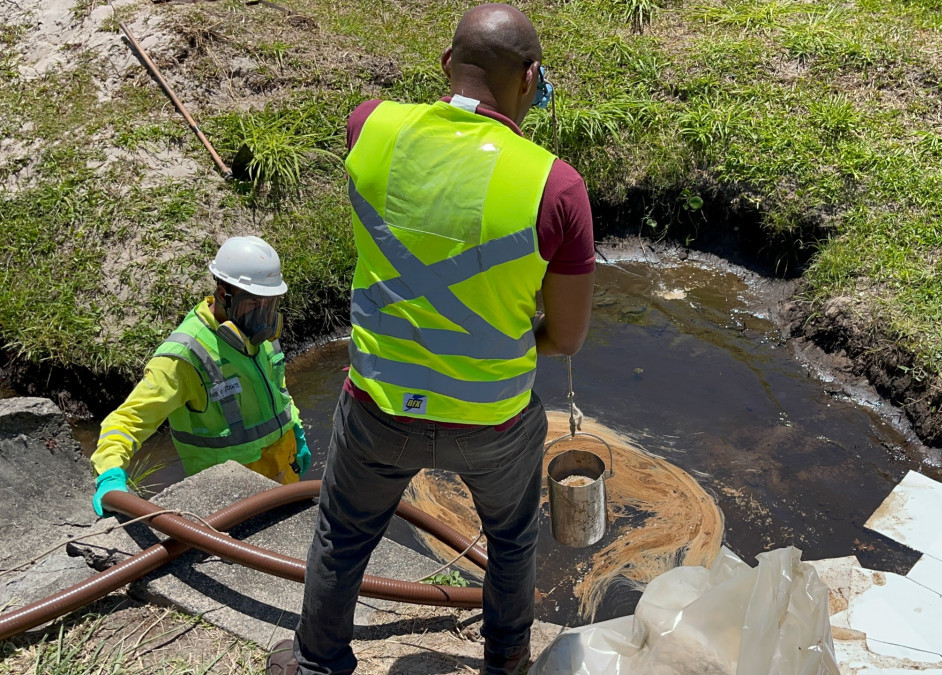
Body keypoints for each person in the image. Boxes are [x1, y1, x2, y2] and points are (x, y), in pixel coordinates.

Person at [269, 4, 595, 675]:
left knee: (343, 532)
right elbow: (565, 335)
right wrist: (496, 343)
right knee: (510, 537)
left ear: (447, 65)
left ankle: (315, 661)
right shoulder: (556, 187)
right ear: (532, 77)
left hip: (379, 406)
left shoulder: (371, 126)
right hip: (494, 420)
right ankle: (505, 662)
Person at [91, 236, 311, 516]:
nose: (263, 316)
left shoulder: (261, 336)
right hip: (231, 501)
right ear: (223, 295)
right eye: (253, 304)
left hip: (284, 478)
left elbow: (279, 391)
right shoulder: (185, 356)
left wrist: (297, 430)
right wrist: (109, 473)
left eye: (270, 304)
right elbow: (129, 419)